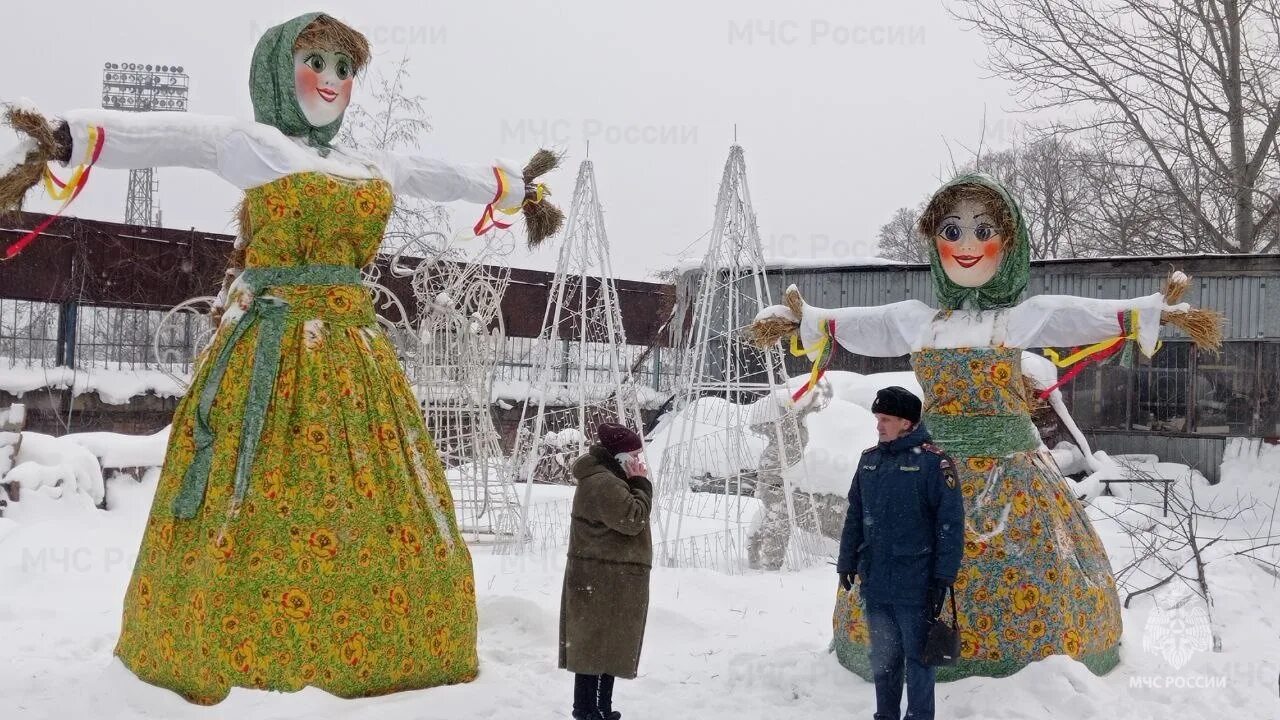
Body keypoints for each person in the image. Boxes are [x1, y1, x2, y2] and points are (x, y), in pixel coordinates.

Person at [3, 12, 557, 704]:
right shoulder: (256, 145)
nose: (330, 81)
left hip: (353, 351)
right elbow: (177, 138)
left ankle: (388, 644)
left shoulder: (367, 165)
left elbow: (436, 174)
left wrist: (513, 189)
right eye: (315, 62)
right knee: (251, 482)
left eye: (344, 69)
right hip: (269, 343)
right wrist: (66, 139)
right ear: (274, 72)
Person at [751, 174, 1215, 682]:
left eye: (983, 229)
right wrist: (807, 321)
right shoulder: (920, 321)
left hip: (1012, 477)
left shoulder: (1017, 319)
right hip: (927, 475)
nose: (966, 246)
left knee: (1031, 569)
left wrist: (1149, 313)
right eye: (951, 232)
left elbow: (1077, 316)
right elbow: (865, 324)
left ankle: (1031, 672)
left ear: (1010, 243)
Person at [838, 386, 964, 720]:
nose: (879, 426)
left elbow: (950, 524)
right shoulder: (870, 462)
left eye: (886, 420)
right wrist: (846, 562)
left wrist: (943, 577)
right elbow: (855, 514)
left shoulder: (934, 464)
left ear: (907, 423)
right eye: (877, 419)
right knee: (884, 658)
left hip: (916, 584)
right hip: (876, 581)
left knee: (918, 659)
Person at [559, 423, 653, 720]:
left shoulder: (608, 477)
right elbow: (633, 519)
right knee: (595, 648)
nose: (638, 461)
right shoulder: (604, 483)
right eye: (634, 454)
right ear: (619, 455)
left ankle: (600, 708)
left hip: (606, 579)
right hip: (601, 581)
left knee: (604, 647)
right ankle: (587, 710)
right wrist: (641, 483)